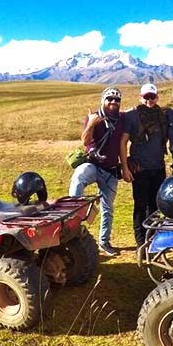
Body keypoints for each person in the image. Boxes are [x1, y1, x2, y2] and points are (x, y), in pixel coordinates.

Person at [69, 87, 124, 256]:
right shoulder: (93, 116)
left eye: (117, 99)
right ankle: (72, 220)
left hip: (111, 170)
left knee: (108, 208)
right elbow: (85, 141)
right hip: (94, 165)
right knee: (79, 175)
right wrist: (91, 124)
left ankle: (104, 242)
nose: (113, 102)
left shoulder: (122, 119)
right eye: (110, 99)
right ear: (103, 100)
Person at [120, 83, 168, 248]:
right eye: (146, 97)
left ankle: (153, 237)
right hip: (140, 168)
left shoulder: (162, 114)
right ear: (140, 97)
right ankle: (140, 241)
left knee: (156, 204)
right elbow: (123, 141)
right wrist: (125, 167)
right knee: (140, 204)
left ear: (157, 97)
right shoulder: (132, 115)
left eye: (152, 97)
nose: (149, 100)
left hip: (158, 167)